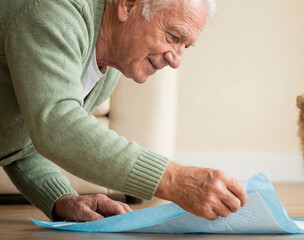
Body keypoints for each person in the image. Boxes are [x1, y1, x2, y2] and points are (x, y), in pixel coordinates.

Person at [0, 0, 247, 222]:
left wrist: (61, 199)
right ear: (127, 5)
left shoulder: (108, 66)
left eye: (186, 46)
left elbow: (22, 137)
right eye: (173, 36)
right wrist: (175, 180)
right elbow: (54, 124)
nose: (176, 60)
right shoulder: (54, 9)